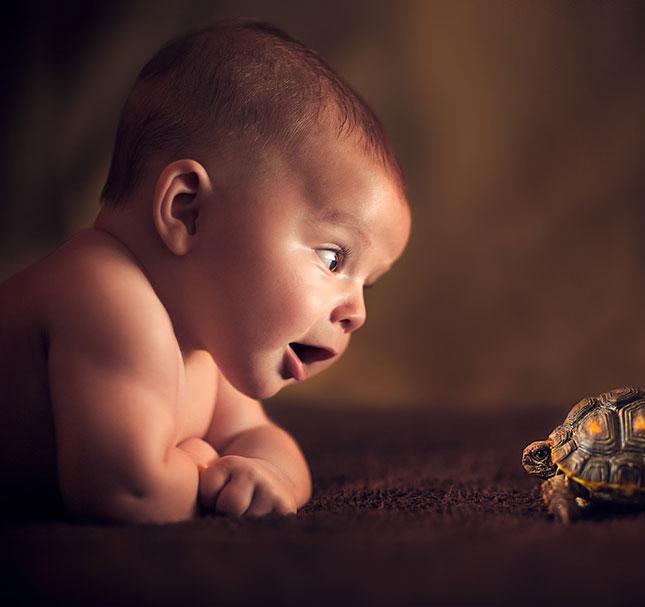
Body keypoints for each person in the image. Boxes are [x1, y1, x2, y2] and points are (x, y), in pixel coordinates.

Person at [0, 20, 411, 524]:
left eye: (366, 284)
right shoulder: (104, 292)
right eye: (333, 259)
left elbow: (262, 441)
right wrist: (202, 460)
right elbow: (129, 492)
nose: (357, 314)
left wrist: (269, 474)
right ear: (188, 211)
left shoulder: (207, 340)